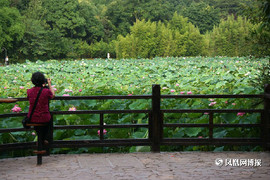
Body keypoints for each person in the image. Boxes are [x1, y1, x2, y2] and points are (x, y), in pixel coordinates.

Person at [27, 72, 55, 148]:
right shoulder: (46, 91)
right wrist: (49, 84)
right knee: (49, 119)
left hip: (32, 117)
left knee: (38, 123)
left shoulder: (29, 91)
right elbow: (53, 95)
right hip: (44, 117)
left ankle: (40, 139)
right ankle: (45, 139)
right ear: (43, 80)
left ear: (32, 81)